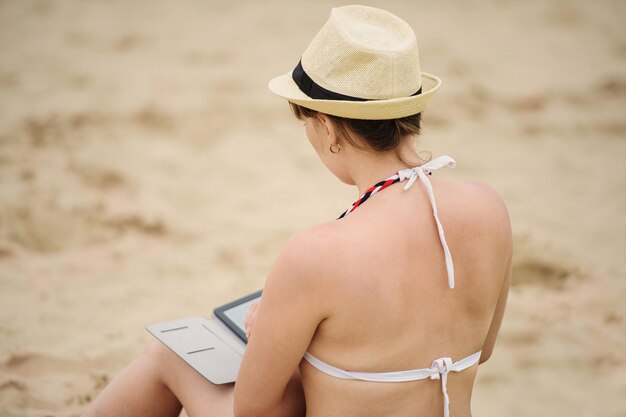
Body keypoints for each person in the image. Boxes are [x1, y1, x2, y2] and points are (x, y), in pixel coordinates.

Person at [84, 5, 512, 417]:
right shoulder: (489, 207)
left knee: (171, 355)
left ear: (327, 127)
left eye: (306, 123)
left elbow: (253, 410)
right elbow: (483, 349)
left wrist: (276, 337)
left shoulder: (317, 253)